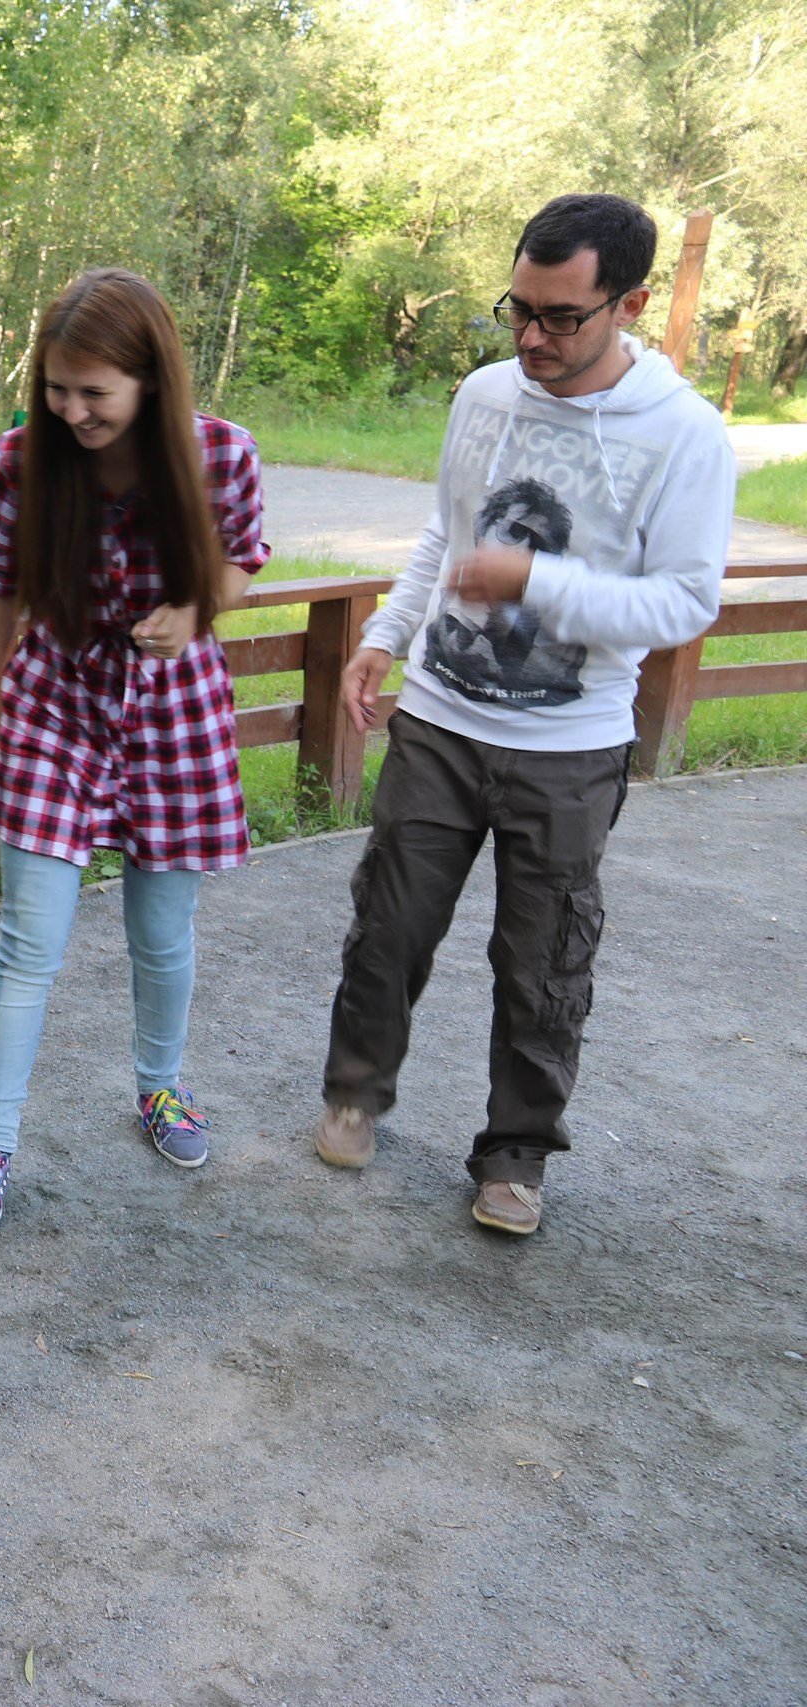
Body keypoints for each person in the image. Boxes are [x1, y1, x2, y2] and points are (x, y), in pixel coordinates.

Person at [315, 193, 735, 1235]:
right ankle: (355, 1095)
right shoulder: (483, 396)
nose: (533, 337)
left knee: (542, 960)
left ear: (627, 304)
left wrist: (535, 583)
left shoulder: (684, 436)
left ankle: (515, 1159)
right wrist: (384, 637)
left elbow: (686, 599)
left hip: (569, 746)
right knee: (388, 927)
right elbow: (441, 532)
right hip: (440, 723)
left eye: (562, 317)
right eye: (519, 309)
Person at [0, 267, 268, 1233]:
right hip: (56, 706)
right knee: (27, 942)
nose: (71, 410)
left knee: (161, 935)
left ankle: (160, 1089)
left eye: (95, 393)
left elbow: (245, 557)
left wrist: (196, 606)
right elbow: (0, 586)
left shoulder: (221, 455)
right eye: (57, 387)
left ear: (151, 382)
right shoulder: (22, 460)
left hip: (176, 713)